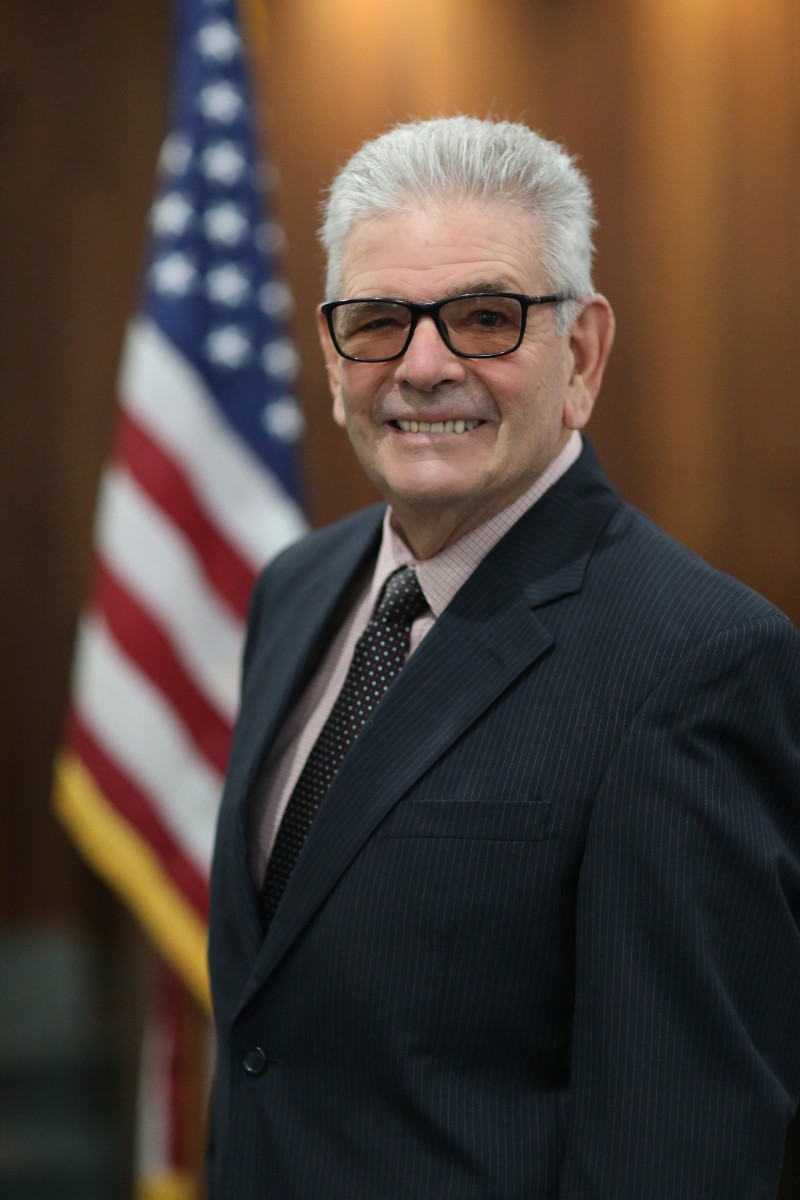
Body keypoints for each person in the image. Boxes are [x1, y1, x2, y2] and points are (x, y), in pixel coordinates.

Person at [206, 116, 800, 1199]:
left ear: (578, 353)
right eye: (378, 321)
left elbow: (675, 1152)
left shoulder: (697, 662)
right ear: (333, 359)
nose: (423, 367)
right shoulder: (295, 590)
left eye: (484, 317)